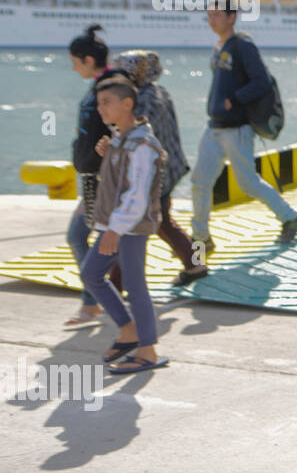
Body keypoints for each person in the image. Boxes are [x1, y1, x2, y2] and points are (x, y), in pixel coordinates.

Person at [190, 0, 297, 255]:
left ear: (232, 17)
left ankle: (290, 218)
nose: (212, 20)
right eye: (209, 15)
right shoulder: (218, 47)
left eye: (217, 15)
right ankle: (201, 238)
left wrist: (235, 100)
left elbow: (262, 82)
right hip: (214, 127)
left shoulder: (243, 45)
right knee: (200, 180)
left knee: (248, 184)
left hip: (237, 128)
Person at [82, 75, 170, 374]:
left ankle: (147, 350)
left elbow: (137, 194)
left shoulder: (142, 144)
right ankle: (129, 330)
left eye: (107, 102)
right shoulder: (124, 139)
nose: (101, 109)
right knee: (92, 274)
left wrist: (115, 229)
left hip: (129, 227)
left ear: (127, 103)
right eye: (98, 103)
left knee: (134, 285)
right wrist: (111, 151)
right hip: (115, 225)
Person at [113, 50, 206, 286]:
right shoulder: (160, 92)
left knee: (127, 228)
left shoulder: (141, 101)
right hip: (169, 168)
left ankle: (115, 284)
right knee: (163, 221)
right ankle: (196, 265)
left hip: (152, 174)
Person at [65, 25, 124, 328]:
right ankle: (97, 301)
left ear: (88, 60)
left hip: (103, 181)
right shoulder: (102, 85)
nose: (74, 69)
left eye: (75, 62)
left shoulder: (109, 88)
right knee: (92, 239)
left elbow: (123, 129)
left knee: (78, 236)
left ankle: (95, 303)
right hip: (93, 180)